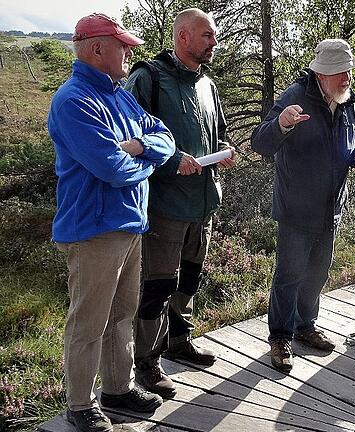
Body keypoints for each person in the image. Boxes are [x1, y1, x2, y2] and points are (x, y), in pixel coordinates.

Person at [49, 13, 175, 432]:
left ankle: (118, 389)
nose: (129, 52)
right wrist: (148, 163)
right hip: (94, 230)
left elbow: (164, 135)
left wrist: (140, 146)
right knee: (89, 321)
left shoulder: (118, 95)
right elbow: (112, 169)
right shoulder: (74, 101)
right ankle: (80, 405)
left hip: (127, 225)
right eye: (122, 45)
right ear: (97, 48)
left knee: (121, 314)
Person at [125, 8, 236, 397]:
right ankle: (147, 362)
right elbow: (127, 136)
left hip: (203, 204)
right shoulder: (149, 78)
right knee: (158, 285)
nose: (214, 43)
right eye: (207, 36)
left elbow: (219, 131)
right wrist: (173, 160)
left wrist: (224, 149)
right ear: (183, 36)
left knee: (189, 277)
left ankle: (179, 341)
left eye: (214, 36)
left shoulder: (208, 84)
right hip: (164, 205)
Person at [250, 39, 355, 373]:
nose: (346, 77)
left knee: (318, 272)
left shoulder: (348, 101)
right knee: (289, 275)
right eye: (339, 72)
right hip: (296, 208)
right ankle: (280, 336)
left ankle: (306, 326)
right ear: (321, 74)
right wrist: (283, 124)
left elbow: (351, 142)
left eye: (348, 70)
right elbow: (260, 141)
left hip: (330, 208)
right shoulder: (295, 97)